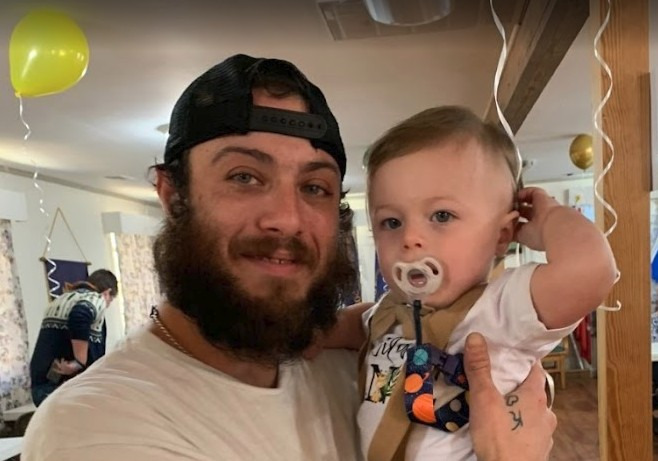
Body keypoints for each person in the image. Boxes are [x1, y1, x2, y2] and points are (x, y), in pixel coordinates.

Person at [23, 55, 556, 461]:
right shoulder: (95, 425)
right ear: (173, 194)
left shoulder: (352, 363)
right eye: (244, 177)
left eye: (315, 187)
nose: (287, 218)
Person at [325, 106, 617, 460]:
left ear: (502, 235)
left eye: (441, 216)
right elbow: (355, 324)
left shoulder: (504, 306)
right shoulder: (388, 314)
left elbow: (591, 271)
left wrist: (552, 217)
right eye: (391, 222)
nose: (410, 238)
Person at [29, 269, 118, 406]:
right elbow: (80, 314)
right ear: (107, 293)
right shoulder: (95, 298)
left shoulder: (63, 299)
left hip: (43, 387)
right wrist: (79, 362)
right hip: (63, 390)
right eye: (110, 300)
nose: (107, 305)